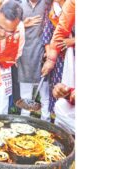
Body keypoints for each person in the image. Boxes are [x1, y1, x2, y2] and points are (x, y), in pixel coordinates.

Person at [41, 0, 75, 134]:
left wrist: (73, 41)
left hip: (74, 57)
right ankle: (61, 126)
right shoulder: (52, 10)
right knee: (60, 90)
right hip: (61, 61)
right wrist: (50, 58)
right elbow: (49, 35)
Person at [17, 0, 51, 122]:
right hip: (24, 54)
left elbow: (52, 26)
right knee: (25, 91)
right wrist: (22, 24)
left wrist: (49, 50)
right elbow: (12, 27)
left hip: (41, 52)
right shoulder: (20, 5)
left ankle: (45, 119)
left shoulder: (47, 4)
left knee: (44, 90)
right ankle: (24, 119)